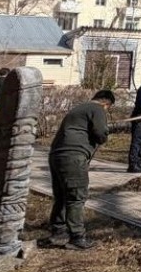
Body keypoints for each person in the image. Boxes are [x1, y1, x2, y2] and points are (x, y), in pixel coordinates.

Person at [47, 89, 115, 250]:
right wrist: (105, 133)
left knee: (62, 196)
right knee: (76, 197)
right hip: (73, 156)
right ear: (107, 104)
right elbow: (100, 133)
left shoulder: (79, 108)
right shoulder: (98, 109)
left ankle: (58, 233)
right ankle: (77, 237)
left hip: (56, 155)